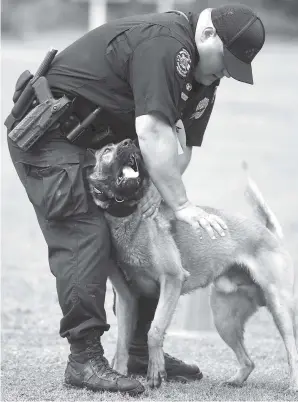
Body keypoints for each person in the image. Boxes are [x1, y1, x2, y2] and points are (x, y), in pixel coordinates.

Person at [6, 3, 265, 395]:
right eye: (226, 61)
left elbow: (183, 148)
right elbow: (150, 132)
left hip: (100, 145)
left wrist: (161, 192)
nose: (227, 71)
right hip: (52, 134)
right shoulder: (166, 45)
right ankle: (85, 360)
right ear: (208, 35)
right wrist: (180, 204)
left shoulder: (204, 76)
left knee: (150, 235)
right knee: (85, 235)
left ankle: (139, 352)